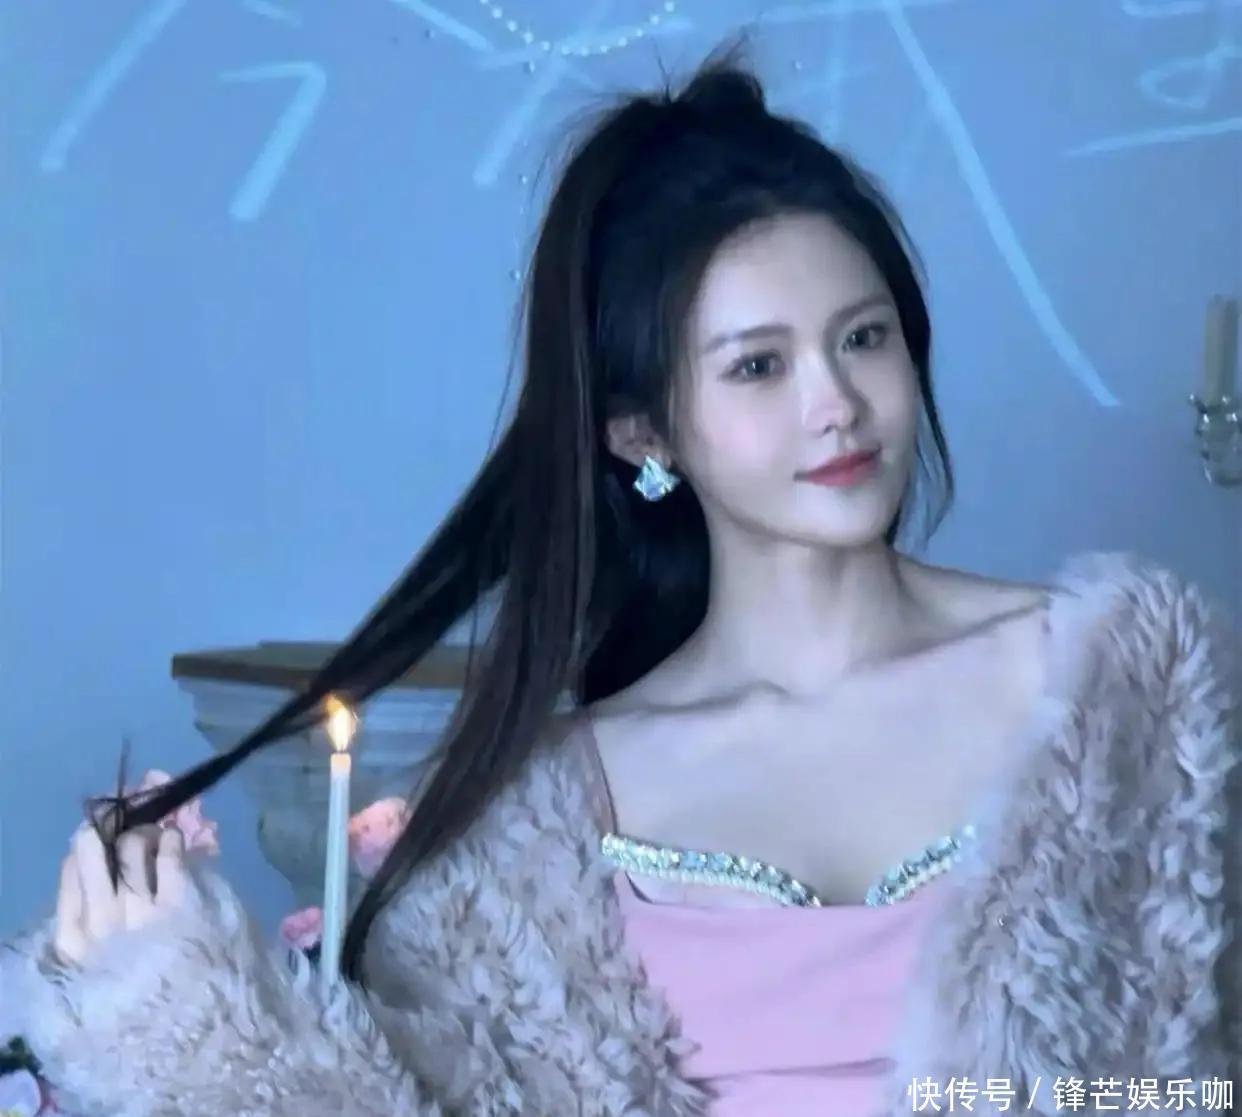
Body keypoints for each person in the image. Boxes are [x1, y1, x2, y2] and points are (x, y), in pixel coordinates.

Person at [2, 38, 1238, 1117]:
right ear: (640, 429)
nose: (836, 402)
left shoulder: (1130, 692)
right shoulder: (531, 837)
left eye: (863, 338)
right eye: (758, 366)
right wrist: (181, 1017)